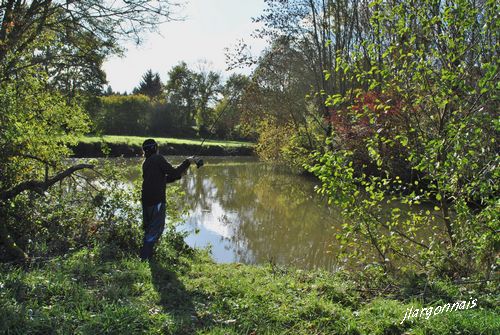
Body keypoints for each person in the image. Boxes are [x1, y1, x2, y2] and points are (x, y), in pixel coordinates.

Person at [140, 138, 194, 260]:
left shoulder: (146, 163)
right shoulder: (157, 158)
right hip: (156, 200)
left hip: (146, 200)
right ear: (155, 148)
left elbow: (163, 179)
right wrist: (187, 162)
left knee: (149, 228)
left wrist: (179, 175)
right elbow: (173, 172)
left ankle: (146, 256)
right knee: (156, 228)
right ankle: (145, 258)